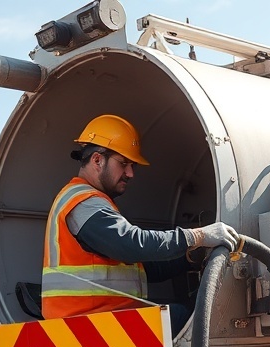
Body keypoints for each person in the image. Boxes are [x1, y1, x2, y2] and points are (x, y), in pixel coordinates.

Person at [42, 114, 238, 332]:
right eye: (124, 163)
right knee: (188, 318)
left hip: (90, 321)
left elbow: (141, 269)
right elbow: (132, 244)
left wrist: (189, 258)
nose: (130, 173)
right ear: (97, 160)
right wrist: (196, 236)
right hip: (89, 324)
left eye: (132, 165)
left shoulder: (92, 202)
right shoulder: (84, 202)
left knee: (184, 315)